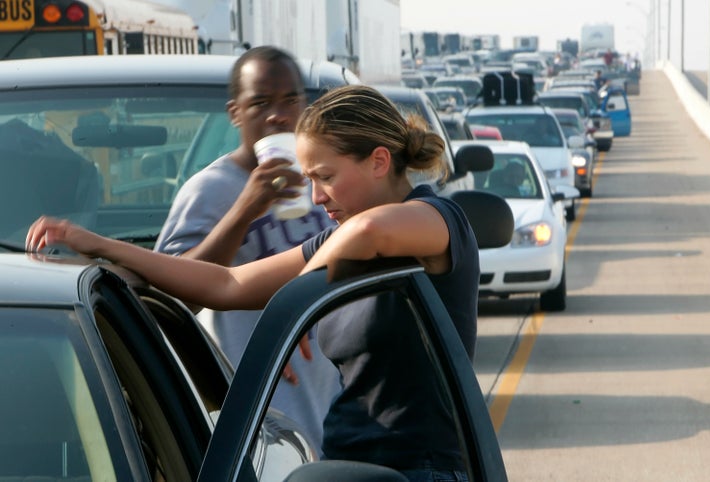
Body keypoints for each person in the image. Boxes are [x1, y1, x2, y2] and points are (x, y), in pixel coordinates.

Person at [26, 84, 480, 481]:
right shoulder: (339, 241)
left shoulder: (439, 220)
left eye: (326, 178)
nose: (317, 198)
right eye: (310, 181)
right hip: (348, 462)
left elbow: (371, 233)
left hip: (423, 470)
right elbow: (226, 284)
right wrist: (101, 245)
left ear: (379, 161)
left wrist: (297, 307)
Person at [153, 45, 340, 455]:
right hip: (259, 429)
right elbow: (169, 299)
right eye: (260, 102)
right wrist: (244, 209)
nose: (278, 114)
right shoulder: (211, 190)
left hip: (333, 414)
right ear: (235, 112)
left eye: (290, 99)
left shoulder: (327, 181)